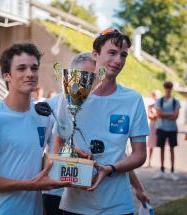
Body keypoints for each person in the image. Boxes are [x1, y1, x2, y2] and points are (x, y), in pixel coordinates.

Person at [0, 43, 69, 215]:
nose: (30, 74)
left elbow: (46, 160)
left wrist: (76, 162)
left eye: (34, 68)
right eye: (21, 68)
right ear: (7, 75)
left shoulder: (43, 115)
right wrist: (29, 186)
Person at [54, 28, 149, 215]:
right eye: (112, 53)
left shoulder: (132, 99)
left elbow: (140, 155)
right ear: (95, 55)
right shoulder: (72, 94)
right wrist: (72, 161)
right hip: (75, 204)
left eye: (123, 55)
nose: (118, 60)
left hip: (118, 206)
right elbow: (58, 142)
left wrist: (110, 168)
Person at [153, 81, 180, 181]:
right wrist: (171, 115)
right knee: (162, 149)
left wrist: (164, 114)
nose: (168, 88)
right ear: (164, 88)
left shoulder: (175, 101)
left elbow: (176, 116)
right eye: (166, 87)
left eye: (169, 87)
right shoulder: (159, 101)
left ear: (171, 88)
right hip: (161, 128)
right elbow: (159, 114)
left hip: (172, 129)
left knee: (172, 149)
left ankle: (172, 170)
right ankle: (162, 170)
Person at [147, 90, 160, 167]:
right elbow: (150, 116)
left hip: (159, 125)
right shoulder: (151, 106)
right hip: (153, 125)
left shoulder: (160, 106)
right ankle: (149, 162)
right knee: (151, 144)